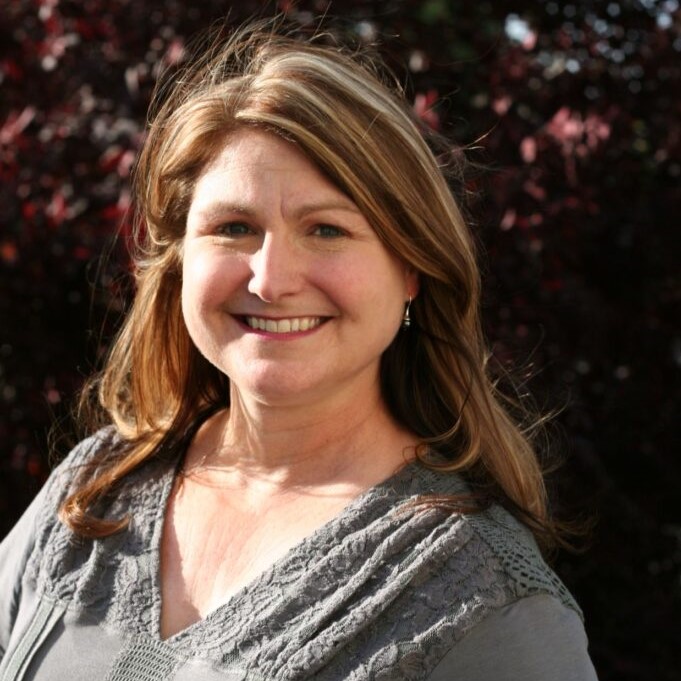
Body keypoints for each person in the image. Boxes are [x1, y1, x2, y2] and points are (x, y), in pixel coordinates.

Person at [0, 19, 598, 681]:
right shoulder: (94, 490)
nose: (270, 278)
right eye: (233, 226)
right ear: (178, 262)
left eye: (325, 229)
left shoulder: (486, 605)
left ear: (410, 267)